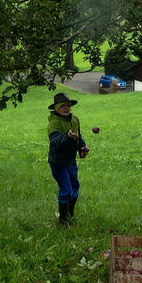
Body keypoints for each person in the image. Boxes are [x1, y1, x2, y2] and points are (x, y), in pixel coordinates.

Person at [47, 92, 89, 227]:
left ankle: (70, 215)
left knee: (75, 188)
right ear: (56, 108)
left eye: (68, 105)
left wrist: (82, 147)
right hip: (58, 162)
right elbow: (54, 141)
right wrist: (67, 135)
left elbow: (78, 136)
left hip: (71, 161)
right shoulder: (54, 123)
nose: (66, 108)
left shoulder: (74, 119)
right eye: (62, 106)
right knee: (66, 189)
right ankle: (63, 221)